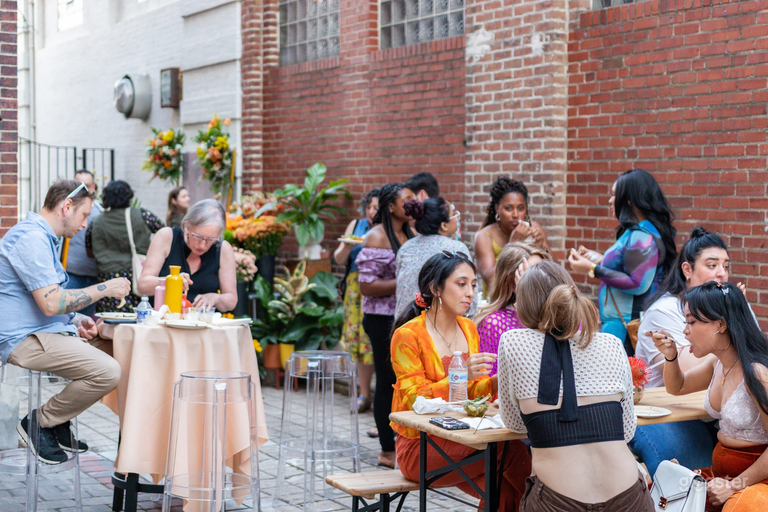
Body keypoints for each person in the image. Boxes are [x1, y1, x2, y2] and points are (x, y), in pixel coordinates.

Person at [497, 261, 653, 511]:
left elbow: (515, 423)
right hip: (629, 499)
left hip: (557, 502)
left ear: (523, 305)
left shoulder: (514, 343)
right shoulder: (611, 344)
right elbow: (626, 431)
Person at [0, 180, 130, 464]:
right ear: (66, 206)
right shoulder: (31, 238)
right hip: (22, 339)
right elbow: (50, 303)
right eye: (84, 215)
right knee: (107, 370)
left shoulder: (45, 238)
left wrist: (76, 318)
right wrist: (105, 288)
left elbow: (45, 300)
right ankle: (40, 422)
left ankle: (59, 420)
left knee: (121, 349)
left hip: (46, 332)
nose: (85, 225)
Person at [391, 252, 531, 512]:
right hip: (419, 445)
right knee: (510, 452)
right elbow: (413, 399)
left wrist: (499, 380)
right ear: (436, 289)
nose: (470, 293)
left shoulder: (468, 328)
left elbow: (474, 392)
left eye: (474, 285)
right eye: (461, 284)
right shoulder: (408, 335)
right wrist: (460, 375)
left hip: (463, 436)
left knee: (503, 487)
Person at [629, 228, 737, 477]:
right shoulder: (665, 310)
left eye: (726, 266)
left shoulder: (732, 305)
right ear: (687, 270)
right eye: (712, 265)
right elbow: (687, 377)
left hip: (714, 415)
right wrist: (672, 355)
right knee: (692, 480)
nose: (722, 273)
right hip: (667, 415)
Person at [653, 281, 768, 511]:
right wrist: (671, 355)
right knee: (661, 495)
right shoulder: (718, 362)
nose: (685, 330)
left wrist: (734, 485)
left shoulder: (757, 373)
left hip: (756, 479)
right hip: (721, 476)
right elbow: (678, 387)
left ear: (721, 324)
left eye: (691, 322)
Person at [569, 168, 677, 355]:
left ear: (629, 200)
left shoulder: (641, 236)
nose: (610, 200)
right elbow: (629, 265)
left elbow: (637, 283)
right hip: (620, 323)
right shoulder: (637, 231)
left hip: (626, 326)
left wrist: (593, 269)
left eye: (614, 194)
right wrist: (599, 259)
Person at [357, 183, 414, 468]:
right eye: (407, 200)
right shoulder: (376, 236)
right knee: (387, 382)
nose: (413, 204)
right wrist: (405, 281)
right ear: (391, 206)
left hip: (406, 319)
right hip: (381, 320)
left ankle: (406, 443)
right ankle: (386, 449)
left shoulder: (410, 233)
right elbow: (366, 285)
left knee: (406, 381)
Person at [138, 199, 237, 311]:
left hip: (203, 320)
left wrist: (215, 298)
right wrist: (172, 282)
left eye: (210, 239)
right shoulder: (167, 237)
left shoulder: (223, 249)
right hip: (163, 318)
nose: (202, 245)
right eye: (198, 237)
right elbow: (143, 285)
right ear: (187, 226)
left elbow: (231, 300)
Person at [333, 188, 379, 413]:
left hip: (378, 289)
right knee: (358, 342)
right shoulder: (355, 225)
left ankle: (381, 396)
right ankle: (364, 394)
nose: (371, 211)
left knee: (374, 340)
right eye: (369, 207)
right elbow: (339, 258)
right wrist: (347, 247)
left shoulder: (389, 229)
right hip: (354, 288)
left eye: (376, 207)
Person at [86, 180, 164, 313]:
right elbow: (165, 233)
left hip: (108, 279)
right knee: (139, 317)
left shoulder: (96, 222)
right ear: (129, 196)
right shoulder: (142, 215)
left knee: (109, 320)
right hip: (136, 275)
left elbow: (89, 251)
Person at [394, 197, 477, 321]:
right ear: (444, 225)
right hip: (440, 325)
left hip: (405, 320)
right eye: (454, 214)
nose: (457, 218)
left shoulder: (406, 248)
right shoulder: (457, 249)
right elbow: (471, 305)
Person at [475, 242, 551, 377]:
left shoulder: (558, 314)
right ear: (513, 283)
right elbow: (488, 381)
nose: (544, 279)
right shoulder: (494, 323)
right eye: (534, 274)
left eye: (545, 271)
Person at [475, 177, 551, 298]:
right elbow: (490, 281)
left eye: (521, 208)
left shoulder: (534, 228)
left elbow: (554, 272)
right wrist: (513, 244)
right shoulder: (484, 236)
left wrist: (542, 248)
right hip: (499, 302)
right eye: (508, 208)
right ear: (497, 209)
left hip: (531, 301)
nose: (515, 214)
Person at [64, 170, 103, 317]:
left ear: (94, 188)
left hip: (93, 274)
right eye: (79, 186)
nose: (84, 190)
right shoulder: (66, 210)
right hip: (70, 273)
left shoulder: (101, 212)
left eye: (87, 186)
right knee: (66, 316)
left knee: (85, 319)